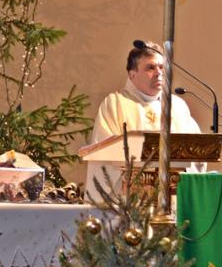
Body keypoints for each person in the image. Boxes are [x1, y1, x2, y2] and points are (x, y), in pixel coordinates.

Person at [85, 41, 202, 201]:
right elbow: (104, 155)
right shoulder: (115, 104)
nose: (159, 73)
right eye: (150, 68)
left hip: (172, 196)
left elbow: (196, 152)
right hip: (129, 199)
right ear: (132, 74)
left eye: (161, 67)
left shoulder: (177, 106)